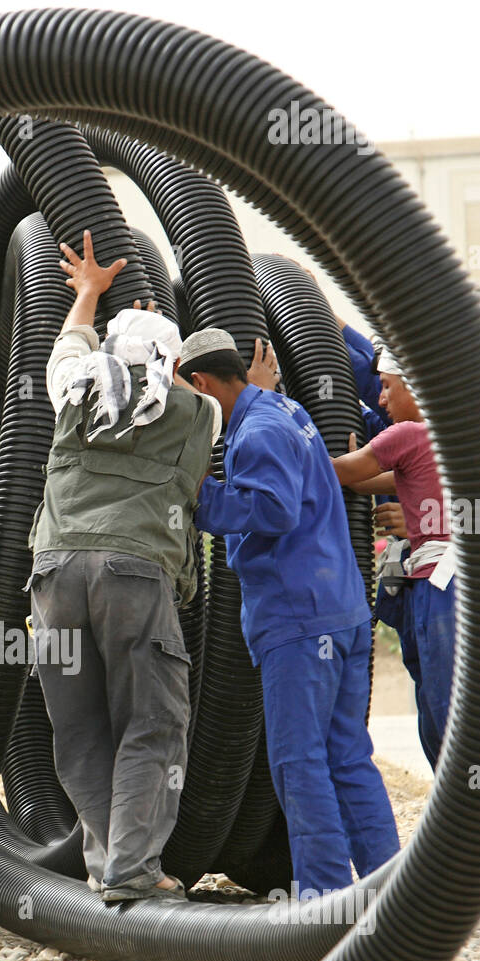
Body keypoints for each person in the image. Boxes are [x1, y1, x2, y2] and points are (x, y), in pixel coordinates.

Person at [26, 230, 222, 905]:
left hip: (53, 574)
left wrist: (86, 293)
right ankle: (134, 871)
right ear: (170, 362)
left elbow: (69, 348)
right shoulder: (201, 411)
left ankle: (106, 862)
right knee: (150, 722)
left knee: (79, 727)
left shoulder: (70, 398)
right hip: (133, 573)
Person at [186, 327, 400, 895]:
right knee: (348, 756)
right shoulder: (283, 409)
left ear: (203, 384)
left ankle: (322, 903)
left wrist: (195, 492)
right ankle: (387, 891)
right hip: (342, 610)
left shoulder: (256, 430)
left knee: (298, 763)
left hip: (299, 621)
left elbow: (272, 510)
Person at [331, 347, 453, 769]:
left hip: (437, 587)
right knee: (441, 700)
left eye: (386, 388)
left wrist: (292, 439)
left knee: (439, 703)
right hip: (439, 582)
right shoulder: (448, 438)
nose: (380, 400)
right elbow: (381, 479)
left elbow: (340, 473)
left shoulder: (406, 434)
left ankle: (458, 811)